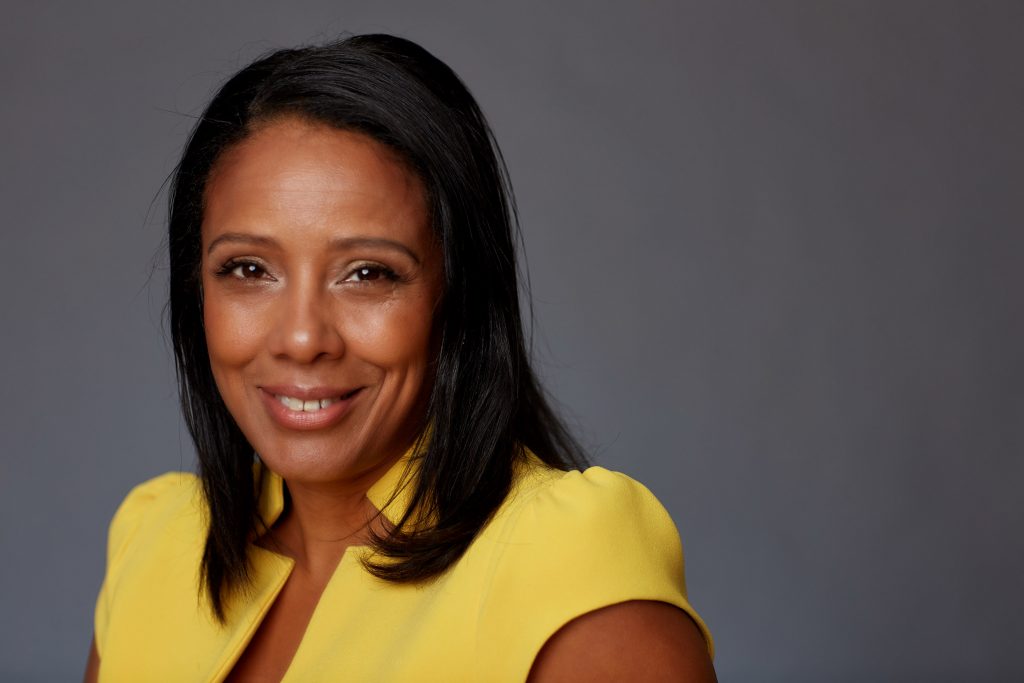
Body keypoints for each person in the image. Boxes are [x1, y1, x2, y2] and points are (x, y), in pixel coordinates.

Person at [84, 34, 716, 682]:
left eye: (368, 273)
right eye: (248, 268)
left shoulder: (565, 562)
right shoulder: (155, 541)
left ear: (457, 293)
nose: (301, 338)